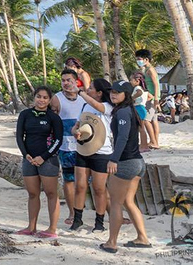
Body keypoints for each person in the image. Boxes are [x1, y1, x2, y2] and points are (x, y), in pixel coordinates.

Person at [99, 81, 151, 254]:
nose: (113, 95)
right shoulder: (130, 110)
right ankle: (142, 238)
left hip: (126, 163)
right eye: (112, 92)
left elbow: (121, 138)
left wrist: (113, 159)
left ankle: (112, 243)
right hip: (138, 162)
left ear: (126, 95)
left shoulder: (122, 112)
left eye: (118, 92)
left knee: (115, 204)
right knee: (129, 202)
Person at [15, 86, 63, 238]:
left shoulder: (53, 117)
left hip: (48, 160)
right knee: (32, 193)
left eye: (45, 98)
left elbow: (58, 140)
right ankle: (31, 226)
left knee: (51, 193)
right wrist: (26, 155)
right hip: (29, 160)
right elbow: (19, 136)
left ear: (49, 100)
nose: (41, 100)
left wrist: (44, 156)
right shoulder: (25, 114)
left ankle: (52, 229)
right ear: (34, 97)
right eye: (39, 96)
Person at [70, 78, 113, 232]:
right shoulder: (84, 106)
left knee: (99, 189)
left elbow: (97, 106)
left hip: (102, 152)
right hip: (83, 148)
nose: (88, 90)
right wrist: (75, 132)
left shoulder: (108, 107)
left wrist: (80, 92)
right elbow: (76, 125)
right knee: (80, 186)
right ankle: (77, 219)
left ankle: (99, 222)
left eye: (91, 88)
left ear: (100, 93)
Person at [50, 68, 83, 225]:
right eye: (63, 80)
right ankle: (72, 213)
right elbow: (51, 122)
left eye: (69, 80)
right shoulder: (56, 99)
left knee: (93, 182)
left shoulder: (84, 97)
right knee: (69, 180)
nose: (65, 83)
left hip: (86, 146)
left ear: (76, 81)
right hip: (66, 148)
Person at [135, 50, 160, 148]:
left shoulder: (150, 70)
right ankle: (155, 142)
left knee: (146, 119)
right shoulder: (145, 69)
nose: (138, 61)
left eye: (139, 59)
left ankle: (154, 142)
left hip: (152, 97)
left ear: (146, 59)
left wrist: (156, 98)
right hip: (151, 97)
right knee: (154, 120)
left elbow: (156, 84)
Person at [129, 72, 154, 152]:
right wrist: (143, 101)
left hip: (138, 108)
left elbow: (139, 93)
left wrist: (132, 98)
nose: (130, 82)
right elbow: (151, 97)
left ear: (137, 81)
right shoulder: (145, 90)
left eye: (131, 80)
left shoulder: (137, 88)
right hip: (142, 107)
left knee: (141, 128)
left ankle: (144, 146)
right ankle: (144, 145)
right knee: (142, 128)